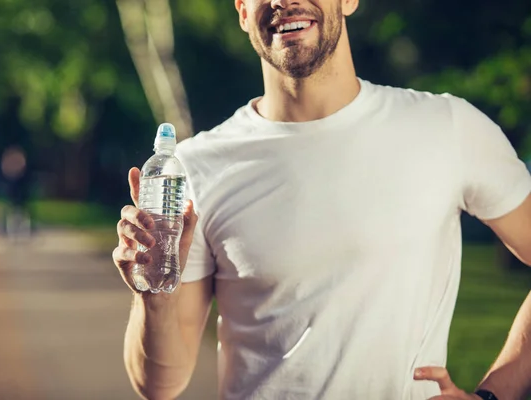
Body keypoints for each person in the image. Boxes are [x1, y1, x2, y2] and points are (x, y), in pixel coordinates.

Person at [113, 0, 531, 398]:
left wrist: (498, 392)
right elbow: (159, 385)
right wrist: (153, 295)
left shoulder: (446, 128)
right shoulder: (196, 167)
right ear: (242, 11)